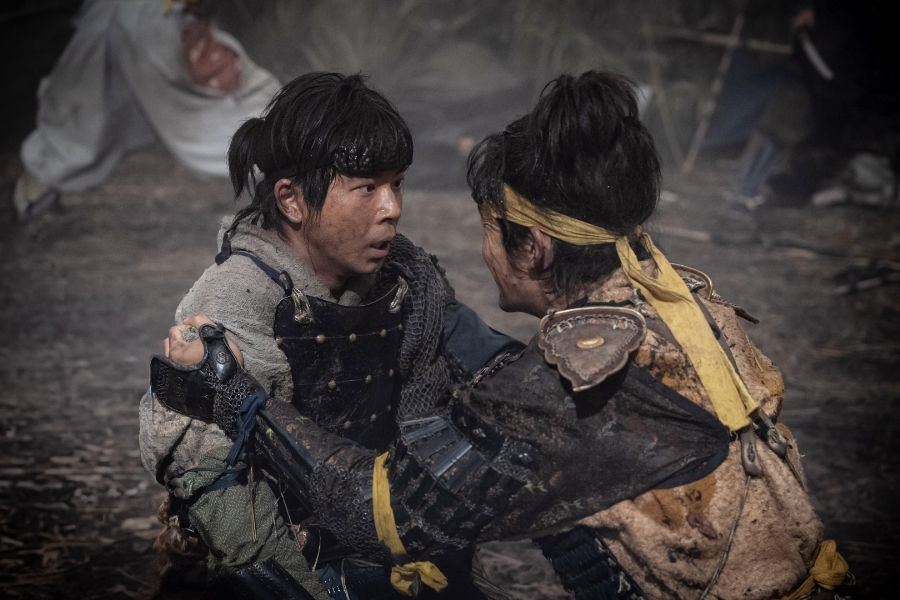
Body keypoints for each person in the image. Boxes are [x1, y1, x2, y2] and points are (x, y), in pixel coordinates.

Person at [139, 72, 519, 599]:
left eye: (397, 184)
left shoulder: (407, 280)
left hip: (387, 541)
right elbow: (225, 501)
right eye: (367, 188)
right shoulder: (235, 302)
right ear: (292, 200)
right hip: (280, 568)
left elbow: (484, 370)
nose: (392, 208)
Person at [14, 0, 281, 220]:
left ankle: (281, 150)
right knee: (85, 104)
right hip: (144, 21)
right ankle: (280, 154)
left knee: (227, 92)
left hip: (147, 19)